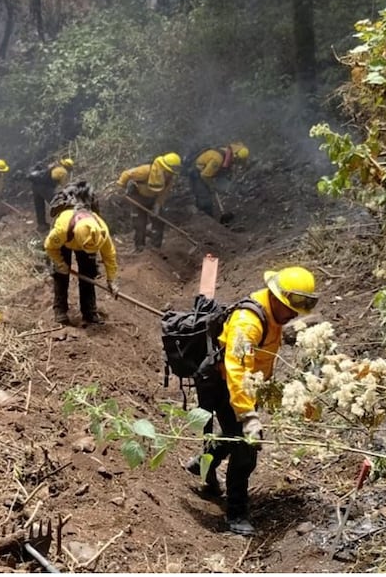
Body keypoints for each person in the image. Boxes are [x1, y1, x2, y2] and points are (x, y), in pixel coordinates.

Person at [185, 266, 319, 537]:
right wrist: (248, 414)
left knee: (235, 436)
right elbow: (237, 369)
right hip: (225, 384)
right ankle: (236, 514)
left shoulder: (273, 314)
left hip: (243, 386)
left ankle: (203, 463)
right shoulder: (248, 322)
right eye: (289, 309)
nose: (293, 316)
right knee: (245, 450)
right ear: (275, 297)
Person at [43, 207, 120, 326]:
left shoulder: (101, 231)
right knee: (61, 275)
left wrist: (111, 280)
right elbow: (49, 246)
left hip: (86, 244)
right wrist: (60, 263)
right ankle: (60, 311)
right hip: (65, 243)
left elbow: (109, 256)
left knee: (88, 274)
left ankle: (89, 312)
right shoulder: (62, 230)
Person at [116, 153, 181, 252]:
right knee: (139, 224)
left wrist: (158, 205)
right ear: (163, 168)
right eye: (168, 172)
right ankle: (139, 247)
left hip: (153, 199)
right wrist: (121, 186)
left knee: (159, 220)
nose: (170, 174)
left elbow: (164, 193)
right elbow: (126, 174)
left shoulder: (169, 179)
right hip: (138, 197)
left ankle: (155, 247)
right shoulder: (145, 171)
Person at [188, 142, 249, 220]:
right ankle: (206, 219)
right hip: (198, 173)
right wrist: (212, 186)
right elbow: (204, 175)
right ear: (235, 156)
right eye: (238, 161)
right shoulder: (217, 159)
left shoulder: (229, 153)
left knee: (212, 191)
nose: (237, 163)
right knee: (205, 198)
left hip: (209, 171)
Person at [28, 158, 74, 229]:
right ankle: (63, 224)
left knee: (39, 206)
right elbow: (64, 186)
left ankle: (41, 225)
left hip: (35, 186)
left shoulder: (54, 166)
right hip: (45, 188)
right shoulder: (63, 172)